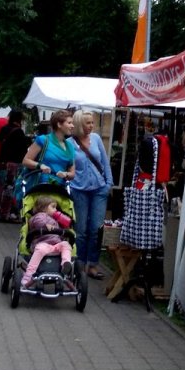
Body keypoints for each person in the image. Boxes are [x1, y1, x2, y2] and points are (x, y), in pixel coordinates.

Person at [70, 109, 113, 281]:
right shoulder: (70, 143)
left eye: (92, 122)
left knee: (96, 229)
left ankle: (93, 264)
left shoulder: (96, 139)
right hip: (79, 189)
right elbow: (68, 166)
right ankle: (80, 263)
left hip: (99, 189)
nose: (91, 126)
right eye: (87, 123)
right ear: (79, 124)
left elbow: (105, 162)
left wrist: (108, 184)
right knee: (81, 230)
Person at [21, 195, 74, 289]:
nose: (56, 210)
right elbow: (37, 222)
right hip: (43, 243)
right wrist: (45, 225)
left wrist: (64, 230)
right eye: (53, 207)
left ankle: (65, 265)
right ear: (43, 208)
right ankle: (28, 276)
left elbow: (60, 233)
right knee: (40, 249)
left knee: (66, 245)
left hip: (56, 244)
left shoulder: (55, 220)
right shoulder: (39, 216)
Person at [20, 109, 77, 192]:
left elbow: (72, 173)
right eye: (69, 123)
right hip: (39, 188)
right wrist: (40, 166)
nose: (72, 126)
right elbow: (25, 161)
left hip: (59, 190)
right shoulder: (43, 140)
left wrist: (66, 174)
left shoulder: (70, 146)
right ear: (59, 124)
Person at [0, 110, 31, 222]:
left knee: (1, 186)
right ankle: (7, 213)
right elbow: (22, 149)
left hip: (3, 162)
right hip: (14, 163)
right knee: (11, 188)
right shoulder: (19, 131)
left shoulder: (4, 129)